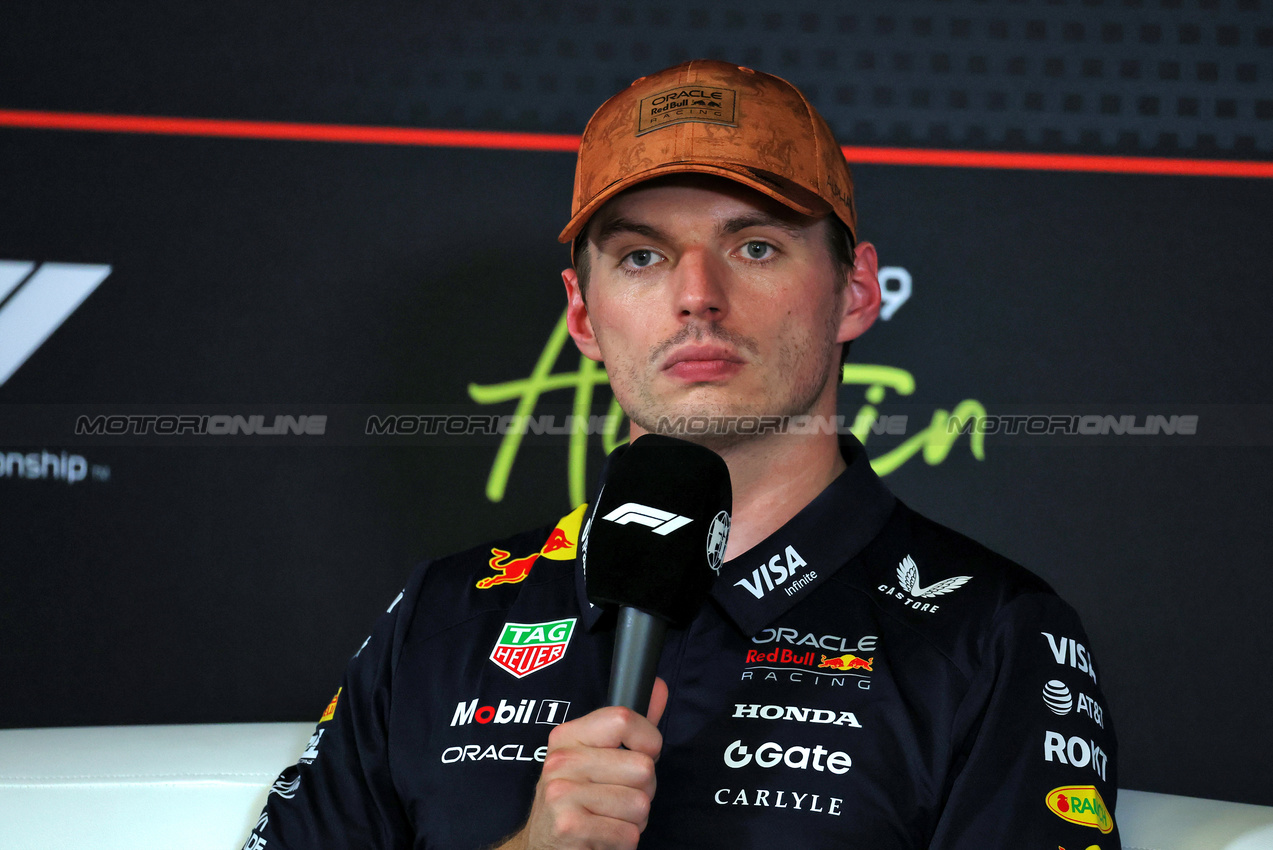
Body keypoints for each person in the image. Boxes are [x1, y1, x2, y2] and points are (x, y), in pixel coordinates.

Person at [245, 60, 1119, 849]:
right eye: (640, 256)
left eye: (755, 246)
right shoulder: (442, 616)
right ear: (583, 316)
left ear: (854, 293)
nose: (697, 296)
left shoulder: (991, 633)